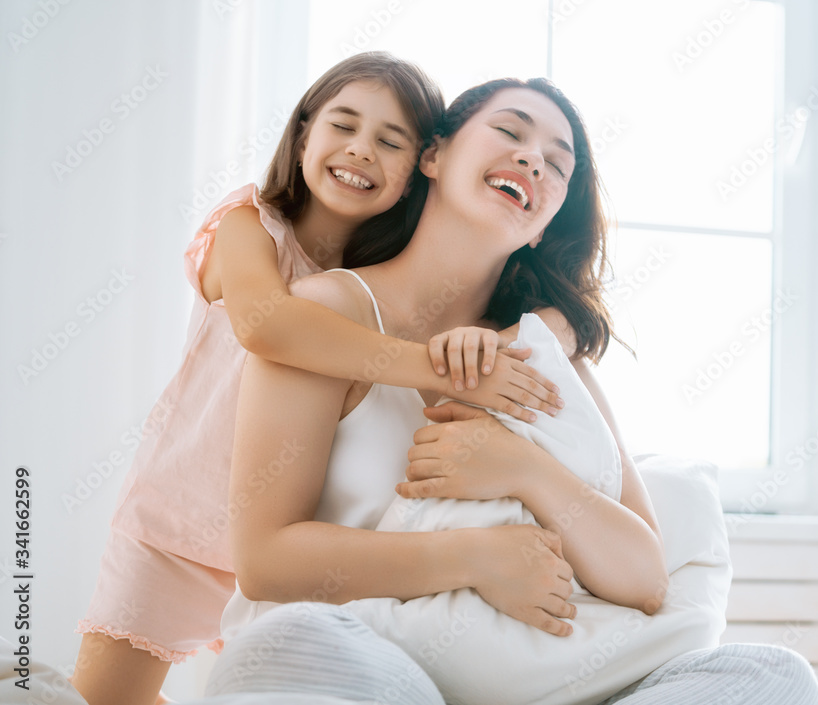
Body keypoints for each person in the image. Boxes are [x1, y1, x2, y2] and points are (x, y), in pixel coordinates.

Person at [204, 78, 818, 705]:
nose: (534, 159)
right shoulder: (327, 316)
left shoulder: (550, 357)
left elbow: (644, 578)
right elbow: (264, 562)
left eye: (558, 165)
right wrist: (475, 558)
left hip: (544, 684)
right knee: (294, 642)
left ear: (542, 225)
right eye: (509, 131)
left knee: (773, 675)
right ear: (434, 157)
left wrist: (524, 470)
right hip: (374, 665)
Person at [69, 53, 562, 705]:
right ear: (303, 133)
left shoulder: (382, 278)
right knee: (103, 697)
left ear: (420, 171)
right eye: (344, 125)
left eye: (391, 142)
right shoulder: (249, 225)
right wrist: (430, 366)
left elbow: (544, 321)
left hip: (290, 526)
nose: (361, 151)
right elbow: (268, 326)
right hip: (177, 518)